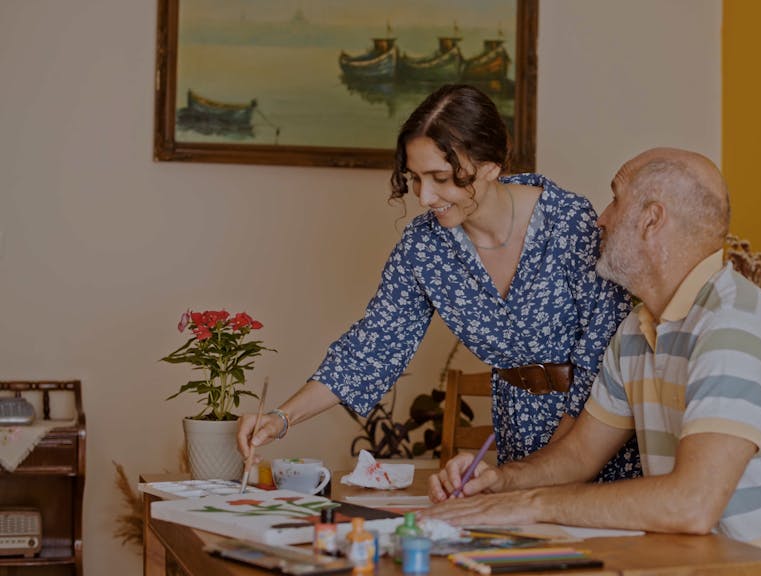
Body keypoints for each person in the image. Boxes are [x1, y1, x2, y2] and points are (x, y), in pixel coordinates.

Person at [425, 148, 761, 576]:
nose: (600, 218)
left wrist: (534, 503)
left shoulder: (734, 325)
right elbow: (580, 454)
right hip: (711, 563)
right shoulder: (638, 330)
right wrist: (499, 482)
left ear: (651, 219)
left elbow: (690, 504)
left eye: (616, 199)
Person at [237, 84, 641, 482]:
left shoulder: (571, 223)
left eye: (440, 177)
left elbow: (604, 354)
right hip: (518, 442)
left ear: (490, 166)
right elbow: (375, 344)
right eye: (414, 178)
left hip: (595, 433)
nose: (425, 196)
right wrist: (281, 418)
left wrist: (553, 466)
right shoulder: (424, 245)